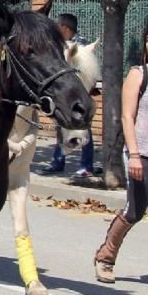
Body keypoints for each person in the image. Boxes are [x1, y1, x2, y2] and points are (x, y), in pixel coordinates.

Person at [94, 19, 148, 283]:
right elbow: (127, 117)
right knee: (134, 212)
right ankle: (105, 258)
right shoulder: (140, 74)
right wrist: (134, 155)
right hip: (144, 154)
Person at [42, 13, 95, 177]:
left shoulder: (82, 44)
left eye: (57, 26)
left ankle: (87, 165)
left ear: (64, 27)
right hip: (63, 93)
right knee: (61, 124)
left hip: (80, 94)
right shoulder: (58, 45)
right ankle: (57, 162)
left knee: (85, 128)